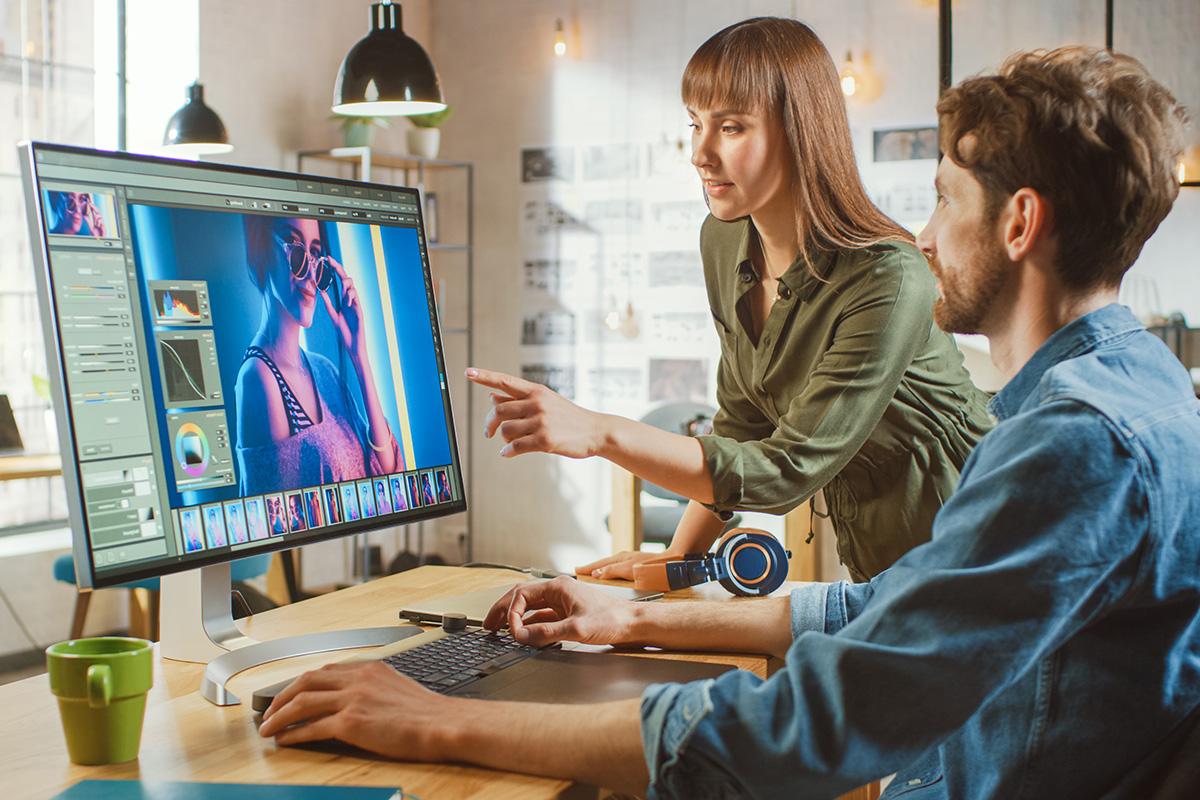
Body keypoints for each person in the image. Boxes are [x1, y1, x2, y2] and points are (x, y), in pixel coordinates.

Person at [259, 45, 1200, 797]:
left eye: (945, 200)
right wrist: (635, 616)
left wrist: (432, 717)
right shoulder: (1130, 385)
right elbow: (885, 608)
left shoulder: (1076, 442)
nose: (921, 233)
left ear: (1019, 223)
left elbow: (816, 726)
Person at [469, 18, 992, 583]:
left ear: (799, 132)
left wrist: (600, 431)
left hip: (976, 545)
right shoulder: (723, 239)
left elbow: (788, 470)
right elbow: (742, 425)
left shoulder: (889, 276)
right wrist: (677, 561)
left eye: (732, 128)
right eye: (696, 124)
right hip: (878, 562)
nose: (700, 152)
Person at [235, 215, 402, 496]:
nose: (311, 275)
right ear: (262, 250)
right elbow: (276, 525)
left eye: (315, 254)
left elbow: (389, 477)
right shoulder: (259, 379)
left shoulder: (324, 370)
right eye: (297, 251)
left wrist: (359, 357)